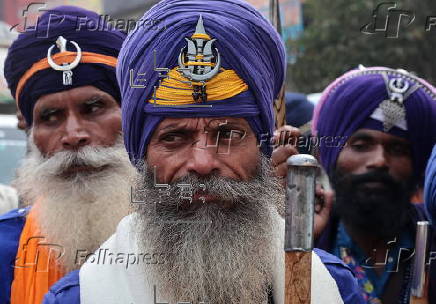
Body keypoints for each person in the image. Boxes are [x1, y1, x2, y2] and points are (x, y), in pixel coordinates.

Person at [44, 1, 364, 303]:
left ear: (263, 146)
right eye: (174, 137)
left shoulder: (328, 285)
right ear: (140, 154)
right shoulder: (80, 296)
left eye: (227, 135)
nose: (202, 162)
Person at [0, 6, 134, 304]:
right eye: (50, 116)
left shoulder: (182, 233)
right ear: (30, 131)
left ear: (131, 116)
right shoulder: (5, 248)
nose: (73, 135)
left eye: (94, 108)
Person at [312, 66, 436, 304]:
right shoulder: (303, 243)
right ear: (326, 155)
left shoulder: (430, 239)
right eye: (361, 146)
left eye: (398, 150)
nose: (379, 161)